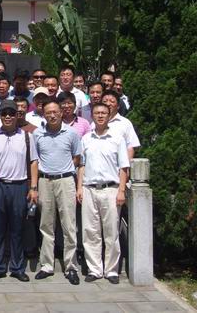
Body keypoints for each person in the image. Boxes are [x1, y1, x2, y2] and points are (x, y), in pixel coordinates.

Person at [77, 103, 130, 284]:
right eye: (97, 113)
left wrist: (121, 190)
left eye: (103, 113)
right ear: (92, 116)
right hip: (89, 189)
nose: (100, 116)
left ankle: (111, 270)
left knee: (111, 231)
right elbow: (82, 165)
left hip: (111, 189)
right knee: (90, 231)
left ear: (109, 116)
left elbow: (124, 167)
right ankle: (94, 269)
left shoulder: (117, 138)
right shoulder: (86, 139)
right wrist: (79, 187)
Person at [0, 100, 38, 282]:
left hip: (19, 186)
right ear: (0, 116)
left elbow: (33, 162)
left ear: (17, 115)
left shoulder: (27, 136)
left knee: (18, 229)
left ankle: (17, 267)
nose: (8, 116)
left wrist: (33, 187)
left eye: (11, 113)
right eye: (4, 113)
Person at [33, 99, 82, 285]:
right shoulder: (38, 134)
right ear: (44, 115)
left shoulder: (72, 133)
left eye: (55, 112)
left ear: (61, 113)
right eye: (48, 113)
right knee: (46, 225)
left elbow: (77, 158)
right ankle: (47, 265)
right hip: (45, 181)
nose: (52, 115)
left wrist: (64, 170)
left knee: (69, 225)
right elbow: (35, 160)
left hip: (65, 180)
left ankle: (71, 267)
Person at [100, 90, 140, 159]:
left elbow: (131, 146)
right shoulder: (94, 123)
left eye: (112, 101)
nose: (108, 104)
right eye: (105, 101)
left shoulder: (125, 123)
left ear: (118, 106)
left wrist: (126, 164)